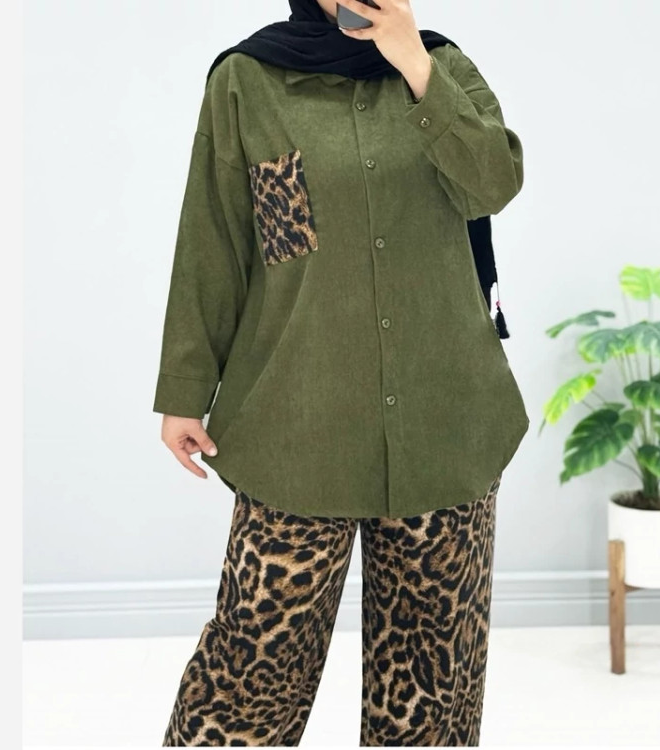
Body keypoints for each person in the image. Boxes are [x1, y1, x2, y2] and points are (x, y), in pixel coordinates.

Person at [152, 0, 530, 745]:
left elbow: (493, 185)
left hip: (444, 422)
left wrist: (414, 64)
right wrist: (185, 391)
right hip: (296, 422)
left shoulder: (442, 65)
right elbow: (214, 239)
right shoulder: (246, 80)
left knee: (432, 689)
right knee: (250, 672)